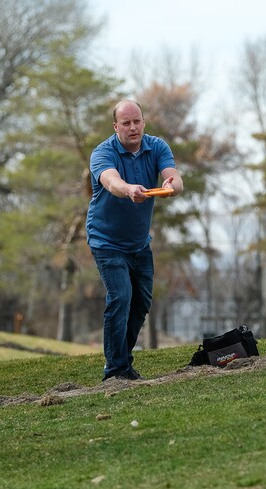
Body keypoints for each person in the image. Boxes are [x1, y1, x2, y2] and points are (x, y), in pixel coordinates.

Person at [86, 99, 183, 381]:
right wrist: (128, 189)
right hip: (106, 242)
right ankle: (115, 371)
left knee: (141, 303)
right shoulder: (103, 153)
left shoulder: (157, 147)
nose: (133, 128)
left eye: (137, 121)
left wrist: (170, 186)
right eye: (126, 123)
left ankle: (122, 363)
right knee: (121, 297)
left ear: (143, 122)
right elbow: (110, 181)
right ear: (116, 126)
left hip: (139, 243)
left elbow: (175, 179)